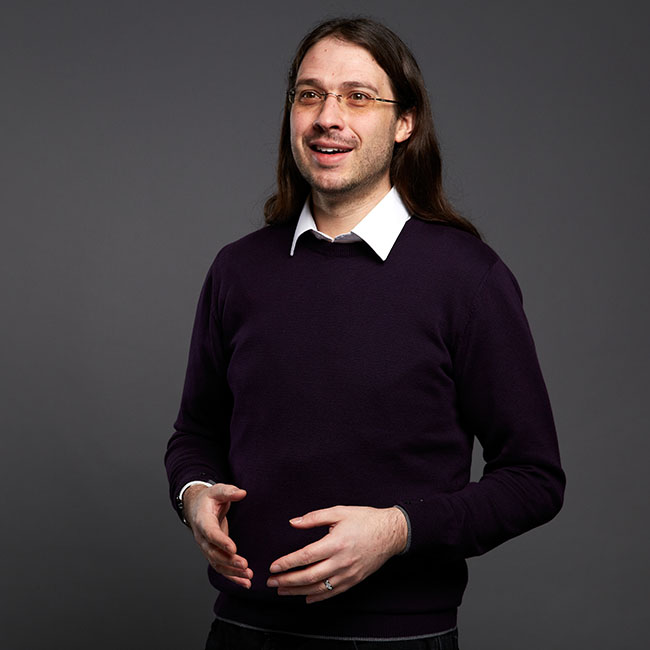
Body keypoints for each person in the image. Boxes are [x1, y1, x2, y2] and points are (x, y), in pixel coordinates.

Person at [165, 17, 565, 650]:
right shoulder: (237, 270)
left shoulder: (468, 278)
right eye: (310, 95)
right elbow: (194, 434)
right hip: (242, 630)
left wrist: (398, 530)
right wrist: (192, 495)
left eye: (358, 96)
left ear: (404, 122)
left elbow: (534, 479)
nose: (328, 117)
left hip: (399, 640)